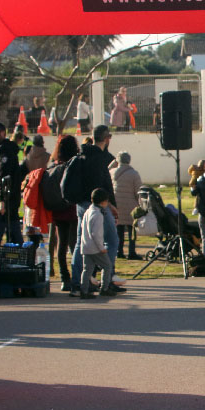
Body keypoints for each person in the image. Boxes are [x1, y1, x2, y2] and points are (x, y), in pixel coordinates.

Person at [69, 124, 124, 296]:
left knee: (81, 242)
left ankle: (78, 282)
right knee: (112, 240)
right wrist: (112, 205)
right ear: (106, 138)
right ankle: (106, 280)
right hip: (98, 205)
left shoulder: (82, 155)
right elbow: (104, 185)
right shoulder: (100, 158)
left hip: (81, 203)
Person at [0, 121, 23, 257]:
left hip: (5, 198)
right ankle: (20, 258)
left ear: (3, 133)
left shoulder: (4, 150)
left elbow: (4, 176)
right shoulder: (9, 149)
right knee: (13, 229)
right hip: (12, 198)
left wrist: (1, 200)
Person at [47, 134, 80, 291]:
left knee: (61, 244)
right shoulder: (75, 163)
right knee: (74, 244)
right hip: (72, 207)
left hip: (58, 209)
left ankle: (64, 277)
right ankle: (76, 276)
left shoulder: (55, 164)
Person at [78, 187, 116, 298]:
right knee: (107, 266)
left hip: (86, 246)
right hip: (95, 247)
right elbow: (96, 233)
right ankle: (104, 288)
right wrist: (101, 247)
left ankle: (83, 290)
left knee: (87, 269)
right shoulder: (98, 214)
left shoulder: (88, 211)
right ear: (104, 201)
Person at [110, 151, 142, 260]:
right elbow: (138, 191)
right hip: (131, 205)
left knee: (119, 230)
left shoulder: (112, 172)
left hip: (116, 205)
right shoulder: (134, 174)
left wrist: (112, 163)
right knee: (131, 230)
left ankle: (119, 251)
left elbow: (106, 171)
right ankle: (131, 252)